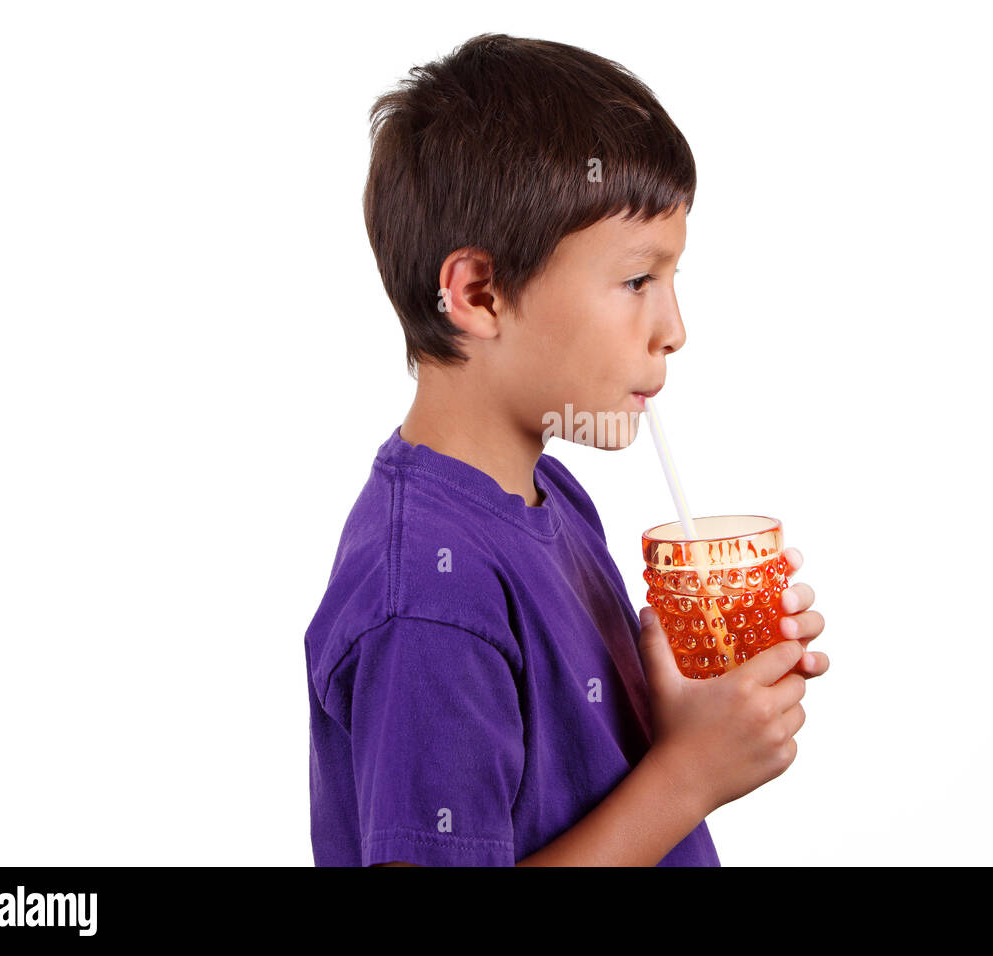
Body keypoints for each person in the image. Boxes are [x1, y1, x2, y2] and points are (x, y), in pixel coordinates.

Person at [304, 33, 829, 867]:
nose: (674, 330)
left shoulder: (551, 495)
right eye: (635, 281)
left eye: (672, 279)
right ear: (479, 294)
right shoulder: (432, 600)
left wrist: (674, 710)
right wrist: (689, 776)